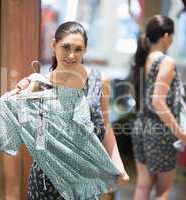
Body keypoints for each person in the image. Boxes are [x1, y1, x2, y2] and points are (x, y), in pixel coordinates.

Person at [15, 21, 129, 199]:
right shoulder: (40, 84)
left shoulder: (99, 81)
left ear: (85, 50)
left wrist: (117, 164)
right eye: (65, 47)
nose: (71, 55)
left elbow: (106, 126)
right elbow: (35, 139)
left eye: (78, 49)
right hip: (47, 182)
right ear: (53, 45)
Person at [130, 15, 186, 200]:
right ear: (166, 36)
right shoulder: (166, 62)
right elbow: (157, 102)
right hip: (160, 132)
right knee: (163, 190)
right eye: (172, 36)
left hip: (140, 127)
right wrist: (181, 134)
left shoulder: (142, 59)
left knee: (143, 186)